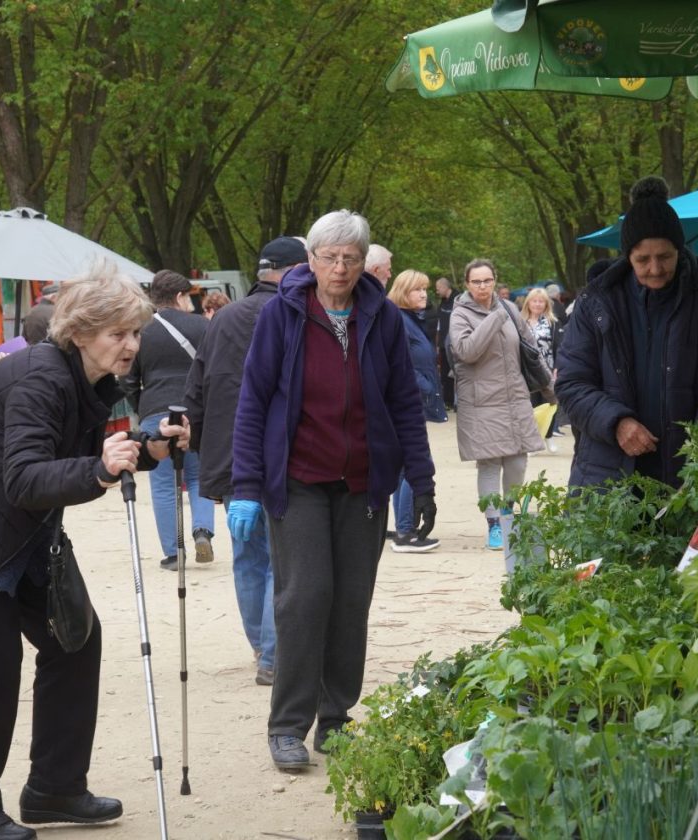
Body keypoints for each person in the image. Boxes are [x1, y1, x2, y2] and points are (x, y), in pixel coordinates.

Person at [0, 263, 187, 840]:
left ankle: (54, 788)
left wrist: (147, 448)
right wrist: (99, 470)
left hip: (18, 526)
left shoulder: (86, 377)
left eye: (135, 333)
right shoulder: (41, 376)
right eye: (118, 334)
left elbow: (76, 456)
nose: (131, 345)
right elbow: (27, 477)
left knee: (74, 638)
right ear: (81, 332)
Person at [229, 210, 436, 771]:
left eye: (350, 258)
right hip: (296, 480)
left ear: (362, 262)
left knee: (350, 601)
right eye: (329, 257)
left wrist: (422, 479)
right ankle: (288, 726)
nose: (340, 267)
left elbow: (404, 405)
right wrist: (246, 483)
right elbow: (253, 401)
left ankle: (336, 718)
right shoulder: (283, 315)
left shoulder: (383, 319)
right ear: (311, 260)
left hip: (363, 484)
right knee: (305, 596)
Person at [557, 176, 698, 490]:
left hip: (689, 476)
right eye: (643, 259)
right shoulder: (595, 303)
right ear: (627, 256)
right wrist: (616, 422)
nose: (654, 268)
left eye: (665, 257)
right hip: (606, 475)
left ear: (680, 251)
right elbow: (572, 384)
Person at [184, 235, 306, 687]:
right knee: (283, 558)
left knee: (247, 557)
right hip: (280, 453)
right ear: (295, 270)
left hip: (231, 455)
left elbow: (197, 386)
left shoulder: (225, 317)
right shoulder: (296, 313)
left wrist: (204, 450)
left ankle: (260, 646)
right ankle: (273, 655)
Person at [448, 258, 545, 551]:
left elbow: (529, 347)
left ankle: (508, 513)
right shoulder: (460, 315)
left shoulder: (509, 309)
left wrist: (550, 387)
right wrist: (492, 318)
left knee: (517, 460)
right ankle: (493, 525)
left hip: (514, 397)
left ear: (495, 280)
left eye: (487, 280)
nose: (482, 286)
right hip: (481, 402)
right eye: (476, 281)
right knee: (489, 462)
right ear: (467, 284)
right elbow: (467, 351)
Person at [122, 270, 215, 568]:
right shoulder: (202, 326)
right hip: (195, 411)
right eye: (189, 296)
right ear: (178, 296)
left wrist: (143, 408)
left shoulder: (141, 329)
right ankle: (202, 530)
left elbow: (128, 380)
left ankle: (175, 552)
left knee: (163, 484)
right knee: (198, 476)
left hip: (155, 410)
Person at [387, 269, 446, 553]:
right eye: (417, 289)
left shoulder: (410, 319)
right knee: (416, 463)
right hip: (408, 402)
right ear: (402, 292)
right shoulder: (399, 320)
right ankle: (407, 531)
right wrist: (424, 388)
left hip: (413, 399)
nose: (423, 294)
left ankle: (403, 528)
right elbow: (403, 366)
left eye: (425, 289)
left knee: (402, 467)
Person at [522, 288, 563, 446]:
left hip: (548, 367)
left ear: (546, 304)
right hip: (527, 370)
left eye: (541, 301)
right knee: (530, 405)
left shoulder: (552, 322)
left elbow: (560, 346)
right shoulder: (520, 322)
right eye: (534, 301)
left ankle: (549, 435)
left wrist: (557, 367)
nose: (537, 304)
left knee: (550, 402)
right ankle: (533, 440)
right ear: (528, 303)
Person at [434, 276, 456, 409]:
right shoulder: (442, 303)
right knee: (444, 374)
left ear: (444, 287)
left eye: (438, 288)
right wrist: (437, 343)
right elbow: (438, 325)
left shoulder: (457, 299)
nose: (437, 292)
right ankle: (447, 401)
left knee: (455, 373)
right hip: (443, 344)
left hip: (454, 343)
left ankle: (456, 401)